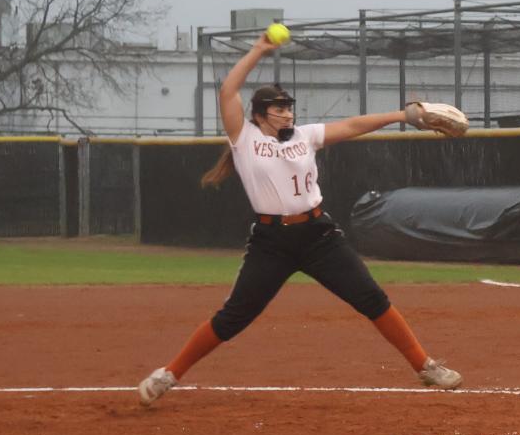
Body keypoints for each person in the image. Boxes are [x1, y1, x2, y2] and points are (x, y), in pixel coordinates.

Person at [135, 29, 464, 407]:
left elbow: (354, 125)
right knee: (232, 318)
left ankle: (425, 366)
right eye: (278, 108)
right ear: (260, 115)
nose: (287, 113)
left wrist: (403, 115)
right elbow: (227, 91)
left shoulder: (304, 136)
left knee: (371, 298)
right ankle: (168, 374)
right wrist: (259, 49)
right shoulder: (244, 138)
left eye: (289, 107)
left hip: (318, 235)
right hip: (271, 243)